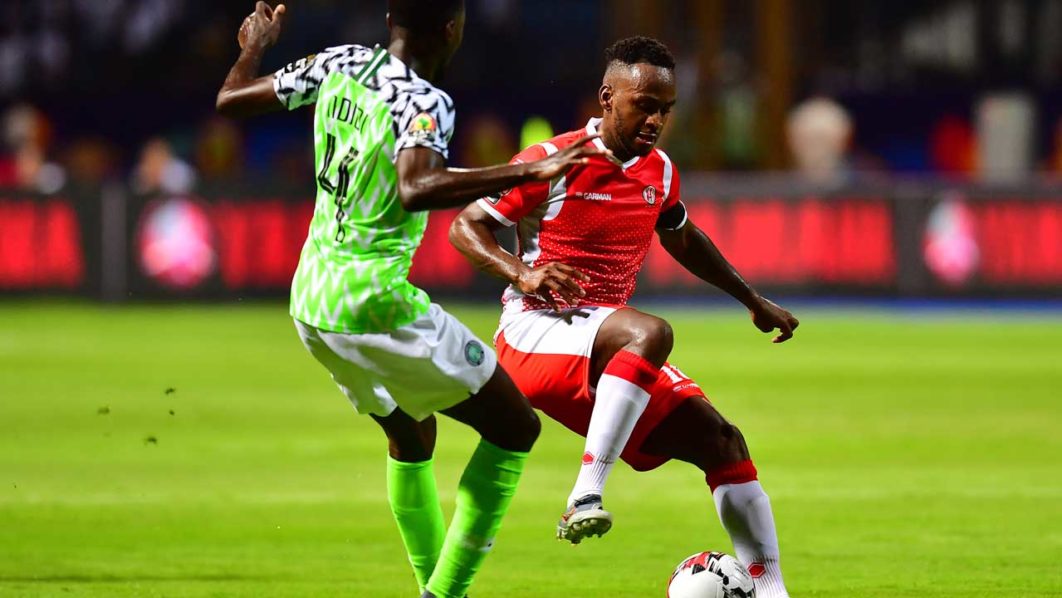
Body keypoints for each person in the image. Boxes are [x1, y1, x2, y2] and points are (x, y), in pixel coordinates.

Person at [215, 3, 603, 597]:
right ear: (451, 29)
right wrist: (525, 172)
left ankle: (434, 590)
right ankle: (444, 595)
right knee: (514, 427)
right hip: (372, 303)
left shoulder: (340, 62)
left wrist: (253, 46)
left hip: (312, 298)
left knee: (413, 437)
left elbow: (230, 101)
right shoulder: (425, 100)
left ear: (390, 18)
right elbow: (417, 187)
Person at [449, 36, 799, 598]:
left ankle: (773, 592)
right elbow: (465, 226)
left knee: (723, 443)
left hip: (610, 347)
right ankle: (585, 494)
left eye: (666, 109)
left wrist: (751, 300)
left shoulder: (660, 171)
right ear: (607, 97)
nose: (656, 120)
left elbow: (683, 237)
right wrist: (522, 273)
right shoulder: (551, 160)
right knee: (651, 332)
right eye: (645, 105)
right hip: (535, 333)